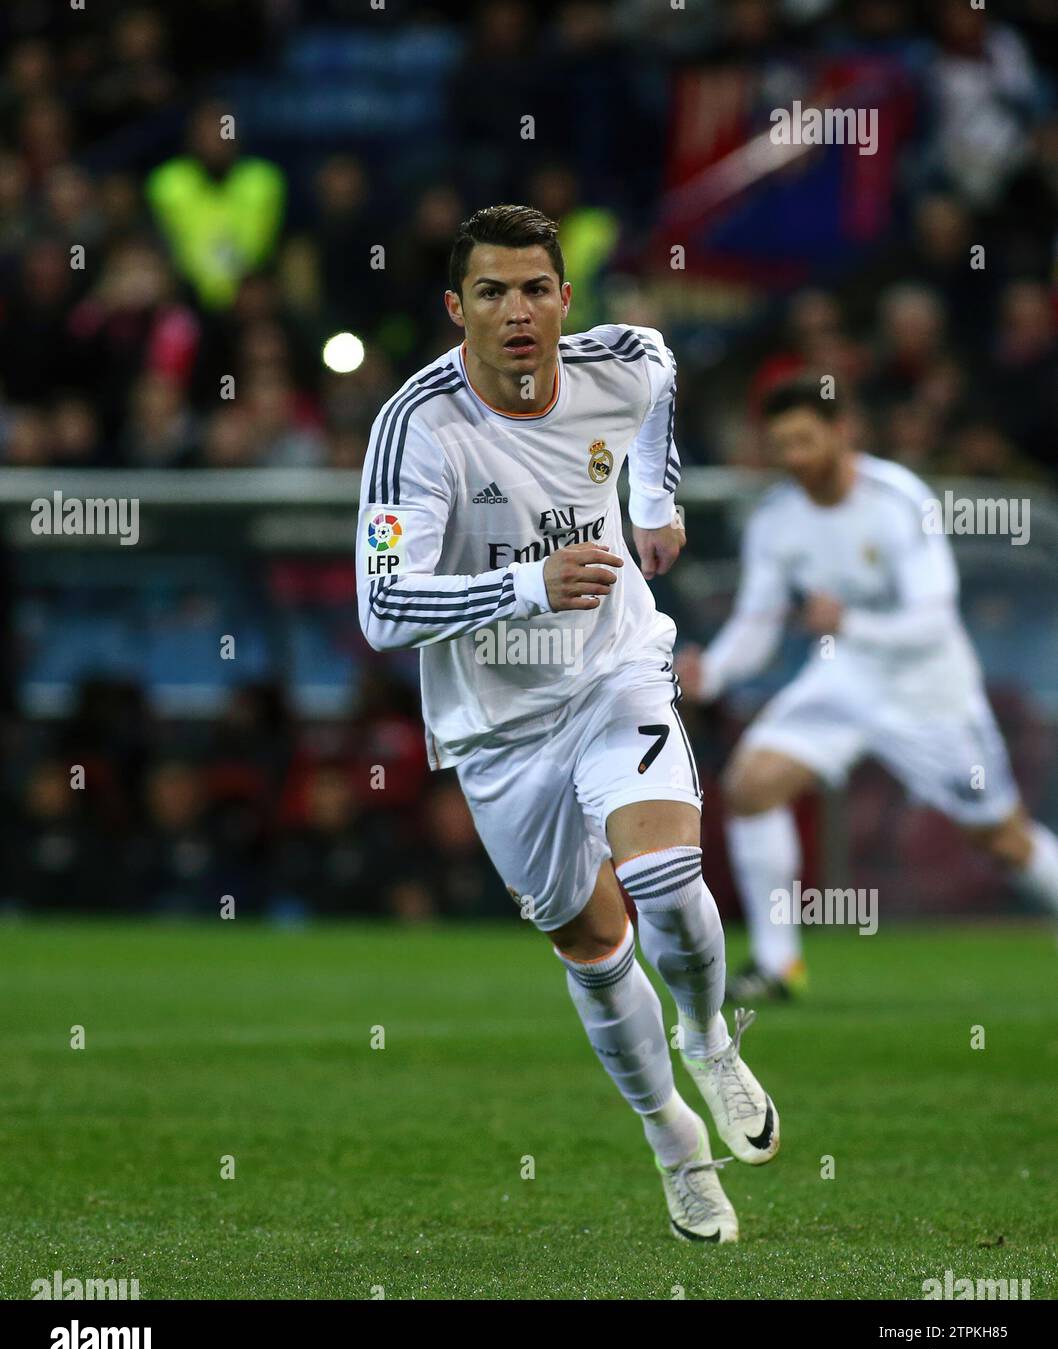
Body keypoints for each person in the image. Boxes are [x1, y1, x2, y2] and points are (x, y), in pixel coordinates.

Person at [356, 205, 779, 1244]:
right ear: (455, 308)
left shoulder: (618, 363)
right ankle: (673, 1141)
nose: (516, 312)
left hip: (611, 674)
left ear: (563, 299)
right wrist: (525, 586)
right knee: (592, 945)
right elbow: (380, 606)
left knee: (664, 880)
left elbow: (659, 372)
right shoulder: (416, 426)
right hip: (497, 728)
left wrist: (653, 498)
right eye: (491, 292)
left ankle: (709, 1038)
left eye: (534, 289)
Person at [676, 378, 1058, 1002]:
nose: (793, 456)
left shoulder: (896, 500)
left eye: (804, 440)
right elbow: (758, 622)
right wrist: (712, 673)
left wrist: (848, 622)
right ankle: (778, 966)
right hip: (845, 677)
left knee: (1001, 836)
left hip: (927, 688)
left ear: (841, 433)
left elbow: (933, 618)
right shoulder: (776, 517)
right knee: (751, 785)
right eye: (781, 444)